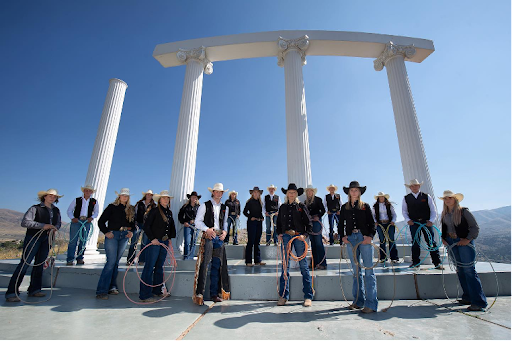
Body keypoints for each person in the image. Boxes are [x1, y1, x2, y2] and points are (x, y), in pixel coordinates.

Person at [5, 189, 62, 302]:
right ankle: (11, 292)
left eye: (54, 197)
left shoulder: (56, 210)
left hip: (47, 239)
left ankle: (34, 290)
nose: (52, 198)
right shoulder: (35, 208)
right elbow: (25, 222)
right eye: (50, 196)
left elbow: (58, 223)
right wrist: (42, 226)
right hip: (33, 238)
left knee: (39, 264)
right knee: (25, 264)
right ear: (44, 197)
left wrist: (55, 227)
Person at [440, 190, 487, 311]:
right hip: (451, 242)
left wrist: (468, 239)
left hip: (464, 242)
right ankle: (468, 297)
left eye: (449, 198)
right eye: (445, 198)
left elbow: (474, 227)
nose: (447, 200)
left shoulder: (464, 212)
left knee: (468, 270)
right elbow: (444, 228)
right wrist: (443, 238)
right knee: (460, 269)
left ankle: (479, 302)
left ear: (455, 199)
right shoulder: (444, 214)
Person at [340, 181, 377, 314]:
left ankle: (371, 304)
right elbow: (340, 224)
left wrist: (370, 237)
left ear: (360, 192)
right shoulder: (344, 208)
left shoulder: (365, 206)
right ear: (349, 192)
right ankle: (358, 301)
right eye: (352, 190)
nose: (354, 192)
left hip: (364, 238)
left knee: (368, 270)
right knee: (356, 271)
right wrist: (343, 237)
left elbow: (372, 224)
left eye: (356, 190)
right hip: (351, 239)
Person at [192, 183, 231, 305]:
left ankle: (214, 293)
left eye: (221, 192)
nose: (219, 194)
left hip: (219, 238)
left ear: (222, 194)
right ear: (213, 192)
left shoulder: (225, 207)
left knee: (217, 266)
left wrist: (225, 232)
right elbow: (197, 222)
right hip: (209, 237)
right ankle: (200, 294)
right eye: (216, 191)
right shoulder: (204, 205)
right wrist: (207, 229)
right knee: (204, 265)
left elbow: (225, 223)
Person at [276, 183, 313, 307]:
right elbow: (279, 223)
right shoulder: (282, 207)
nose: (291, 194)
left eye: (293, 192)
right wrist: (279, 234)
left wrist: (305, 235)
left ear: (296, 194)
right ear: (287, 194)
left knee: (303, 265)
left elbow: (309, 223)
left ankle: (308, 295)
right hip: (286, 236)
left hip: (299, 236)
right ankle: (283, 295)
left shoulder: (301, 206)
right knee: (285, 266)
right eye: (289, 192)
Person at [96, 188, 135, 299]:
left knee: (116, 262)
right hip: (113, 235)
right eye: (123, 195)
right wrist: (106, 232)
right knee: (111, 262)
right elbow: (101, 221)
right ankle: (101, 290)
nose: (124, 197)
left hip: (124, 236)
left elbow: (133, 223)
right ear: (119, 196)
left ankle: (112, 286)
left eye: (126, 196)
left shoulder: (130, 209)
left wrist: (131, 231)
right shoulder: (112, 207)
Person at [139, 190, 176, 302]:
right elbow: (146, 226)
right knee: (149, 266)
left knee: (159, 266)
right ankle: (145, 295)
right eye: (164, 198)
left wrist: (169, 237)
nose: (166, 200)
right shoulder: (154, 211)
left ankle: (157, 290)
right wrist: (152, 238)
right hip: (155, 242)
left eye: (167, 198)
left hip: (164, 242)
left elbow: (171, 228)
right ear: (159, 200)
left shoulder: (169, 213)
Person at [402, 179, 443, 269]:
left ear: (419, 186)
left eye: (416, 185)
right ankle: (416, 262)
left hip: (426, 222)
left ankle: (437, 262)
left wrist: (431, 220)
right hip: (414, 223)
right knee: (415, 241)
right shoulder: (406, 198)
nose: (414, 187)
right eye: (412, 186)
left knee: (431, 241)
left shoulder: (426, 196)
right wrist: (408, 220)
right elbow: (404, 211)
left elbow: (433, 210)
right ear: (410, 187)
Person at [66, 185, 99, 266]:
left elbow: (96, 212)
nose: (88, 192)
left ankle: (80, 258)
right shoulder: (77, 200)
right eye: (86, 190)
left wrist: (92, 218)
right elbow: (69, 210)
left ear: (91, 192)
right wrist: (72, 218)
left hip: (86, 222)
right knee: (73, 240)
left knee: (83, 241)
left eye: (89, 191)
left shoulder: (94, 201)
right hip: (76, 221)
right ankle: (70, 259)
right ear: (83, 191)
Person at [127, 190, 156, 265]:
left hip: (147, 226)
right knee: (134, 242)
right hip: (138, 224)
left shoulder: (153, 205)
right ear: (145, 195)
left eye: (150, 195)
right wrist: (134, 224)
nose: (149, 196)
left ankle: (142, 260)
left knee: (145, 243)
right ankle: (130, 259)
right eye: (148, 194)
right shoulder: (139, 204)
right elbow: (134, 214)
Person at [372, 192, 399, 264]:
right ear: (378, 198)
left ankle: (394, 258)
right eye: (380, 197)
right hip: (380, 224)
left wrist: (393, 221)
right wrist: (375, 222)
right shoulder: (375, 206)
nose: (381, 198)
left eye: (382, 197)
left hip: (389, 223)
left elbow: (394, 214)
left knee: (391, 239)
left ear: (384, 198)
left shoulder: (389, 205)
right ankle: (383, 258)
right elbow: (373, 215)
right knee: (382, 240)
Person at [304, 186, 327, 270]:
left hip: (317, 222)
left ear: (313, 192)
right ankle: (314, 262)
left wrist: (318, 216)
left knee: (318, 243)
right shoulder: (305, 202)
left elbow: (323, 210)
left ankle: (323, 263)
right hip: (310, 223)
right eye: (308, 191)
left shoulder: (318, 200)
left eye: (311, 191)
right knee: (313, 243)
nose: (309, 192)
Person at [243, 187, 266, 266]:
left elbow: (259, 212)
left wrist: (262, 217)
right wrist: (250, 217)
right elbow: (244, 212)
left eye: (257, 192)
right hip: (251, 223)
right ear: (252, 193)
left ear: (259, 193)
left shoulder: (260, 202)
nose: (256, 193)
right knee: (251, 241)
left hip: (259, 223)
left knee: (257, 242)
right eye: (254, 192)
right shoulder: (249, 202)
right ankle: (248, 261)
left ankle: (257, 260)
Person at [178, 191, 201, 259]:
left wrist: (196, 222)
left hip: (196, 225)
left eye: (195, 198)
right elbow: (180, 215)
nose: (194, 199)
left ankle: (191, 257)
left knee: (193, 242)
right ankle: (186, 256)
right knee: (187, 241)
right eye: (193, 197)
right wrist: (184, 222)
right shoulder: (185, 206)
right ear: (190, 198)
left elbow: (202, 217)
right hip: (188, 225)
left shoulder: (199, 207)